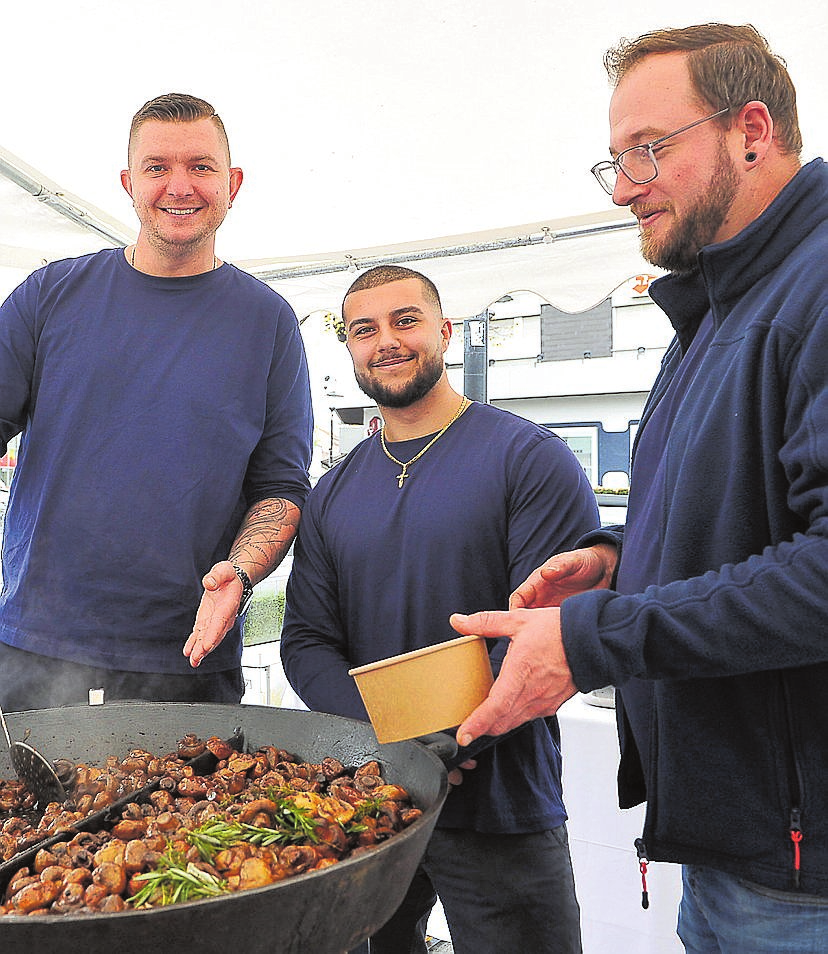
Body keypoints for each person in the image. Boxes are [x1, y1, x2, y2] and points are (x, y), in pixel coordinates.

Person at [450, 23, 828, 953]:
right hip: (744, 848)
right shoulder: (717, 310)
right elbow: (751, 521)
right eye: (614, 160)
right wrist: (622, 566)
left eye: (648, 150)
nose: (624, 187)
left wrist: (598, 635)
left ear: (751, 131)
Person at [280, 265, 599, 954]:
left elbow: (541, 634)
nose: (386, 341)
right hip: (371, 808)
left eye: (406, 320)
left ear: (445, 331)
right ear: (351, 350)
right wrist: (391, 748)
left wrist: (444, 743)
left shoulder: (529, 460)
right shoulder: (331, 493)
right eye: (364, 330)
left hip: (500, 802)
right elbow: (306, 641)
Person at [0, 93, 312, 709]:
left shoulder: (268, 322)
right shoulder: (50, 295)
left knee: (195, 810)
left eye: (201, 166)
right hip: (34, 644)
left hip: (189, 654)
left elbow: (280, 487)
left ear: (233, 182)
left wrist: (241, 574)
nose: (179, 186)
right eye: (156, 167)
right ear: (127, 182)